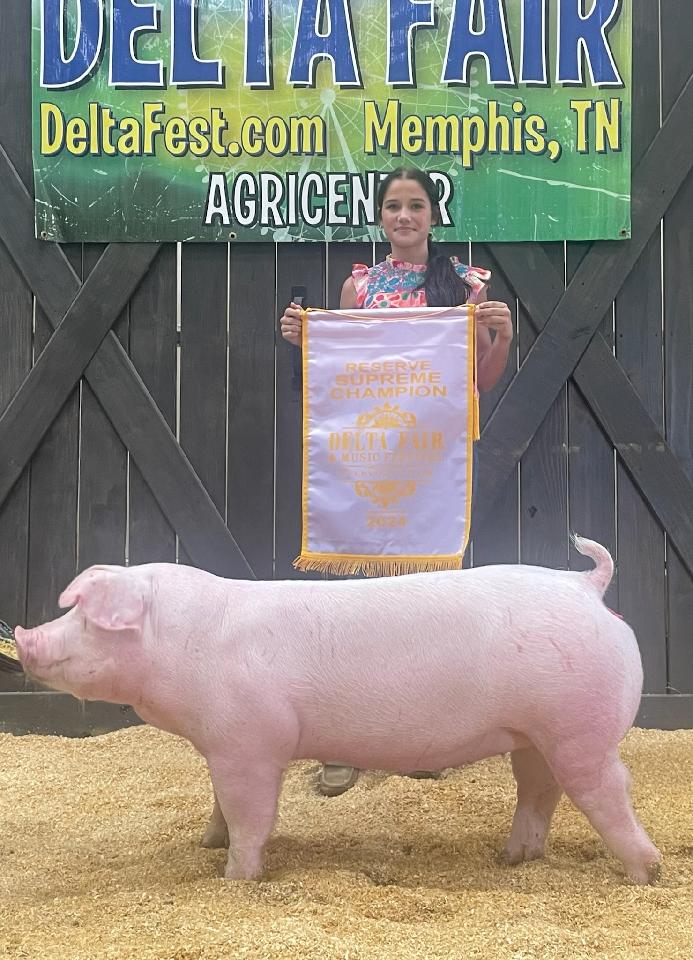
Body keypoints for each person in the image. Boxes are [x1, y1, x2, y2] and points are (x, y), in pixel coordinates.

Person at [279, 167, 513, 796]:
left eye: (414, 205)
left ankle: (429, 736)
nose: (403, 216)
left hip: (434, 462)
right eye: (392, 206)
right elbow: (339, 371)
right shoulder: (360, 288)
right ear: (380, 217)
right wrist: (306, 338)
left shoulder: (466, 286)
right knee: (366, 608)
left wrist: (503, 337)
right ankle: (347, 740)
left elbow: (483, 379)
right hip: (370, 460)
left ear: (434, 215)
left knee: (433, 608)